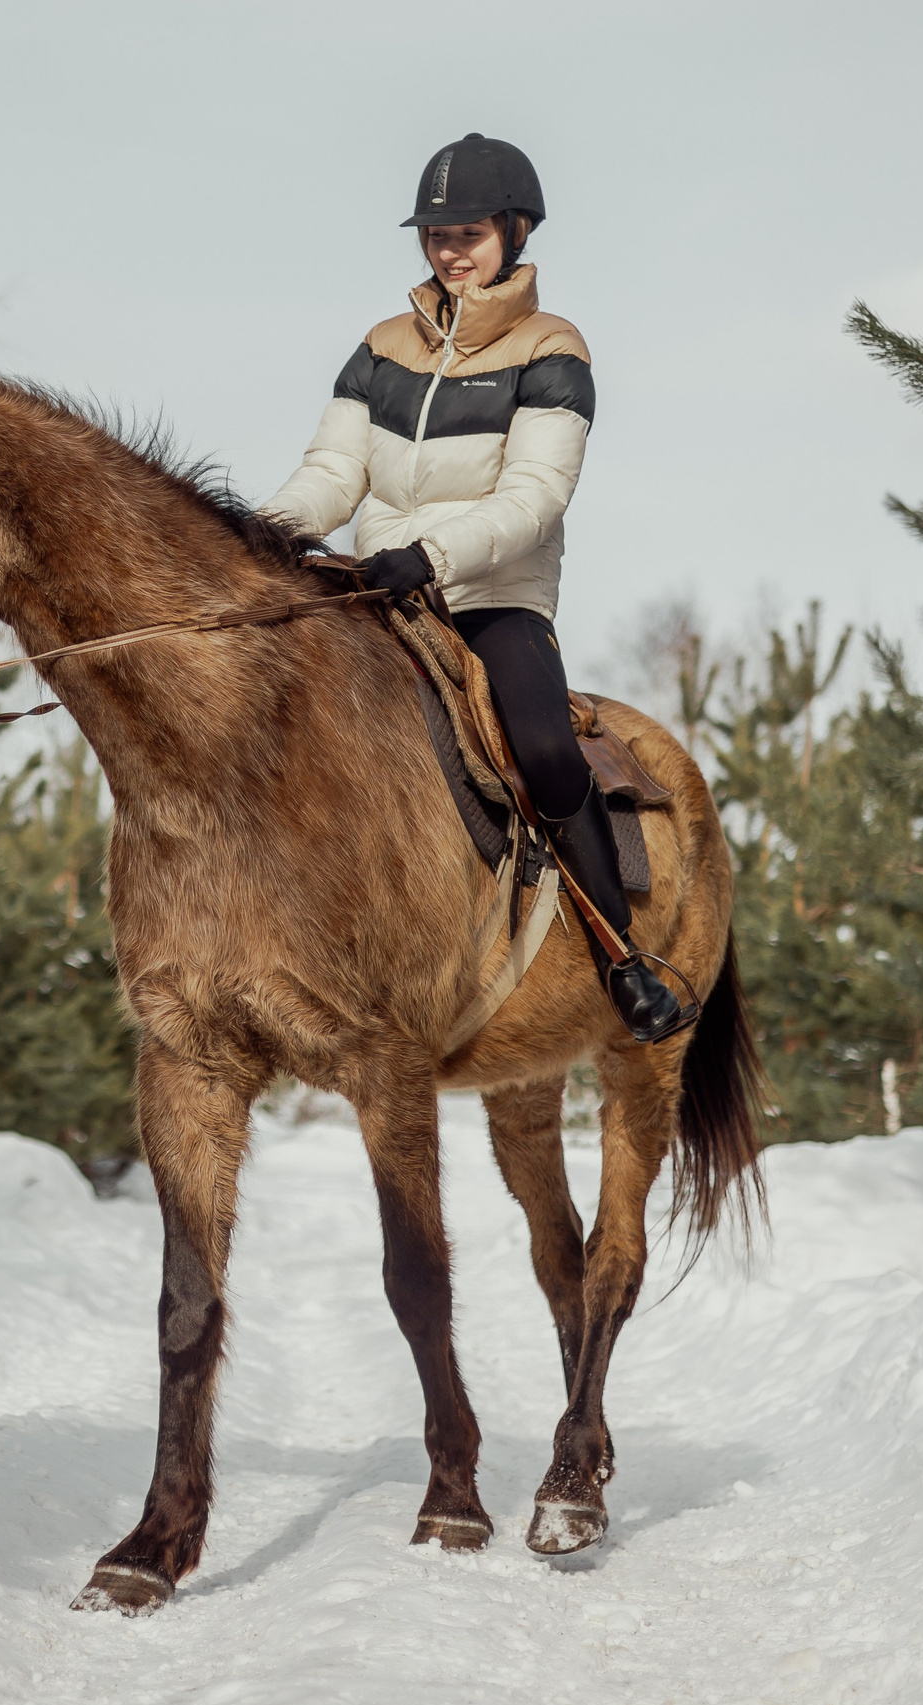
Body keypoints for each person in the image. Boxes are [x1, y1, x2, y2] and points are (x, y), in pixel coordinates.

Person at [263, 133, 685, 1043]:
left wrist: (431, 554)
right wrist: (265, 534)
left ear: (515, 231)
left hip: (493, 598)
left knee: (544, 746)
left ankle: (623, 957)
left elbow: (535, 497)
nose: (450, 250)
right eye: (437, 235)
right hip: (378, 594)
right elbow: (332, 472)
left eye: (469, 233)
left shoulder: (552, 348)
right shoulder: (380, 347)